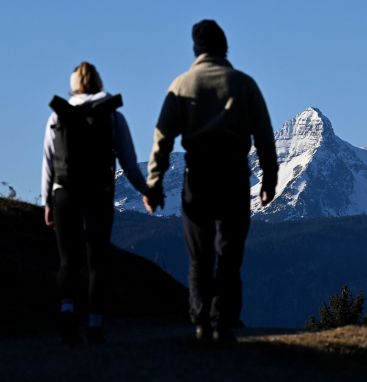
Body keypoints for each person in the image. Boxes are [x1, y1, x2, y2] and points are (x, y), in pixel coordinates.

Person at [143, 19, 278, 343]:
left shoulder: (181, 85)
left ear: (196, 49)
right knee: (229, 251)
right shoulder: (244, 84)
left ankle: (201, 318)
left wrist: (154, 181)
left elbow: (162, 138)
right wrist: (269, 179)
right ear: (225, 47)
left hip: (198, 172)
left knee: (198, 252)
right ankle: (224, 319)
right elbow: (263, 135)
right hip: (233, 173)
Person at [42, 62, 148, 345]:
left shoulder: (57, 115)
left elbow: (48, 163)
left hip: (64, 193)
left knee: (68, 259)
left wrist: (47, 201)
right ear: (99, 83)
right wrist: (146, 190)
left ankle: (67, 312)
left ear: (73, 84)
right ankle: (95, 323)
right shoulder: (113, 116)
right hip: (98, 192)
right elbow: (128, 161)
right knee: (96, 259)